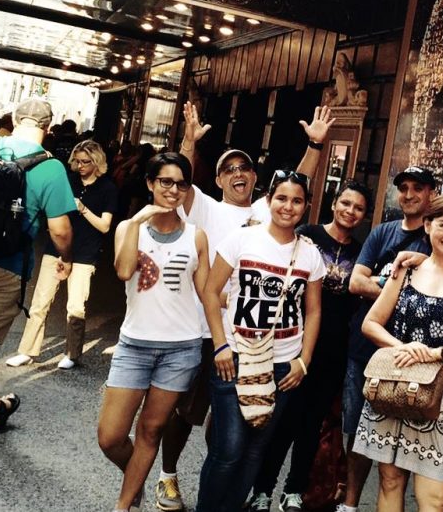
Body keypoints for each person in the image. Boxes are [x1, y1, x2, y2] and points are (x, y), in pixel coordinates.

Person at [152, 101, 330, 511]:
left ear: (255, 179)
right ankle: (169, 475)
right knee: (185, 411)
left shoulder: (265, 212)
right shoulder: (206, 207)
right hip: (204, 331)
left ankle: (221, 487)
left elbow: (296, 186)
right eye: (228, 169)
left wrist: (316, 146)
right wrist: (189, 141)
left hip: (263, 347)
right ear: (216, 178)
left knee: (234, 434)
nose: (237, 173)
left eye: (244, 168)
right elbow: (178, 176)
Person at [354, 193, 443, 512]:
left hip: (441, 399)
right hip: (395, 386)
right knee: (390, 481)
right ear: (428, 225)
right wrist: (403, 347)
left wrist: (437, 354)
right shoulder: (406, 272)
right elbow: (371, 323)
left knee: (433, 497)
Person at [96, 153, 223, 512]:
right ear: (151, 183)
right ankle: (135, 475)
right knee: (110, 436)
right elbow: (123, 272)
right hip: (134, 345)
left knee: (151, 431)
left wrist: (222, 343)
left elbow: (207, 294)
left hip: (180, 350)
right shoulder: (127, 228)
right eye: (165, 181)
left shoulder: (196, 237)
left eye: (181, 183)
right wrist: (137, 220)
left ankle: (124, 504)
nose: (173, 190)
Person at [195, 170, 326, 512]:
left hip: (282, 365)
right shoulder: (242, 240)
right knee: (230, 448)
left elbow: (312, 312)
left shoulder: (310, 255)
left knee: (256, 449)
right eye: (281, 198)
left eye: (297, 200)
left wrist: (304, 360)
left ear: (307, 206)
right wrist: (221, 345)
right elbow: (211, 291)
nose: (288, 206)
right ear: (269, 201)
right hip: (235, 357)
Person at [249, 180, 373, 512]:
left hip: (335, 350)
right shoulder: (308, 235)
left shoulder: (362, 252)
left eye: (358, 208)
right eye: (345, 203)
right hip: (295, 343)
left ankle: (294, 491)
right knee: (282, 421)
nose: (350, 211)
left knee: (312, 424)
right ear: (334, 204)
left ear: (364, 215)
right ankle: (262, 490)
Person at [0, 98, 74, 434]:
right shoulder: (51, 167)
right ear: (48, 127)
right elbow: (60, 229)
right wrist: (66, 258)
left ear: (15, 120)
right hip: (8, 267)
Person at [342, 165, 436, 512]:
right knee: (357, 429)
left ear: (431, 194)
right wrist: (396, 287)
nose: (409, 194)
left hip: (408, 356)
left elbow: (441, 282)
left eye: (418, 188)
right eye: (404, 188)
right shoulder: (383, 232)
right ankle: (350, 504)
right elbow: (355, 281)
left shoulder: (435, 238)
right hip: (364, 349)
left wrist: (380, 289)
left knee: (404, 430)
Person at [6, 140, 117, 370]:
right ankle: (27, 351)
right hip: (55, 248)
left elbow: (105, 226)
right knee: (40, 302)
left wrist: (83, 209)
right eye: (76, 161)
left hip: (86, 252)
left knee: (76, 306)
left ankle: (72, 354)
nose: (79, 166)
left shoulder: (108, 188)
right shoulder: (68, 180)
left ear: (97, 162)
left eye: (85, 161)